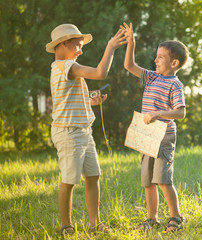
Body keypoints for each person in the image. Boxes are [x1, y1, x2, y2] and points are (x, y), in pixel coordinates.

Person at [46, 23, 126, 235]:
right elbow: (100, 73)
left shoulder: (65, 68)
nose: (80, 51)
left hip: (83, 131)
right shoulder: (66, 66)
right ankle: (66, 225)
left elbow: (67, 100)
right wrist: (110, 47)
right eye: (78, 46)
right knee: (69, 180)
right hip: (69, 132)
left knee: (93, 176)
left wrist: (90, 101)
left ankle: (95, 222)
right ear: (63, 44)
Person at [122, 22, 188, 233]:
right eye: (156, 56)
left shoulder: (175, 85)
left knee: (162, 180)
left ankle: (176, 217)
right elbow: (129, 66)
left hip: (163, 137)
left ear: (174, 62)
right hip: (146, 135)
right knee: (148, 181)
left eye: (160, 57)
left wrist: (158, 113)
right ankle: (152, 219)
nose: (155, 60)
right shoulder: (151, 77)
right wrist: (131, 43)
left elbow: (181, 112)